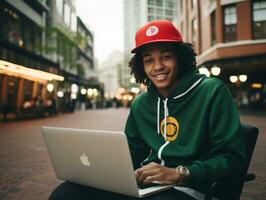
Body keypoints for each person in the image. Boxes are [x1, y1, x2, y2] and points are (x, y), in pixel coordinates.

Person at [48, 20, 246, 200]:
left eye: (166, 57)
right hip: (146, 187)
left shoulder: (211, 91)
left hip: (188, 188)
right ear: (141, 66)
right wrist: (109, 172)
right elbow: (132, 154)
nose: (158, 66)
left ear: (180, 58)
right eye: (149, 60)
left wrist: (179, 173)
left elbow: (232, 160)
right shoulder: (141, 103)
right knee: (65, 194)